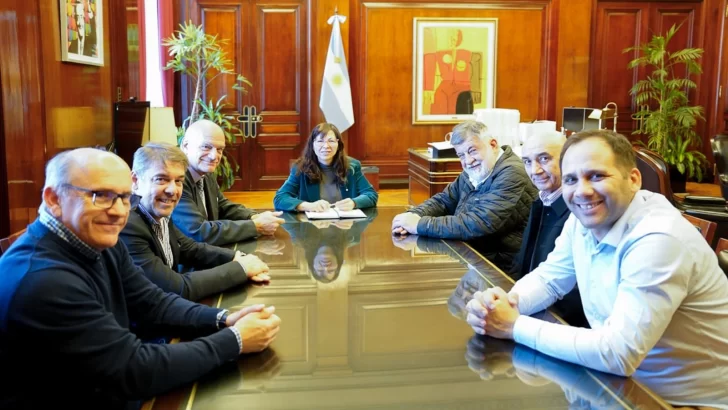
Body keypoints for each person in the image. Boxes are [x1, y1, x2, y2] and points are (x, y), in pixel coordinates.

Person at [0, 148, 282, 410]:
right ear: (53, 199)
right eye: (101, 196)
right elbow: (131, 370)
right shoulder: (42, 280)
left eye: (124, 197)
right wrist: (235, 340)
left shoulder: (97, 239)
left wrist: (224, 318)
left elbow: (153, 302)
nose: (118, 211)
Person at [465, 130, 728, 409]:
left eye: (597, 176)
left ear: (633, 179)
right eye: (571, 179)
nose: (582, 191)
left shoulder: (659, 238)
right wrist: (504, 304)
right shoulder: (582, 219)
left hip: (684, 402)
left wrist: (513, 325)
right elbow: (549, 279)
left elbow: (618, 354)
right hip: (616, 386)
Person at [120, 143, 271, 302]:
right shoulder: (128, 225)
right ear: (135, 181)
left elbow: (189, 248)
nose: (172, 190)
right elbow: (177, 288)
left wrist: (237, 257)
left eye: (178, 181)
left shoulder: (157, 211)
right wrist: (241, 269)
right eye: (161, 179)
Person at [392, 120, 537, 271]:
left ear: (493, 145)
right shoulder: (478, 169)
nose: (468, 161)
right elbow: (444, 201)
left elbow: (478, 223)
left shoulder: (512, 173)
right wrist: (413, 215)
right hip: (473, 257)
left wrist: (420, 225)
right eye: (461, 155)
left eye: (472, 151)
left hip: (501, 268)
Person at [511, 131, 587, 327]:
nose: (534, 170)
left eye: (544, 159)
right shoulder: (542, 200)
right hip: (532, 307)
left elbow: (570, 289)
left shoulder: (581, 210)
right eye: (527, 162)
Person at [172, 119, 285, 246]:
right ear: (185, 146)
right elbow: (199, 232)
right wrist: (255, 226)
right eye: (206, 147)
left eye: (219, 149)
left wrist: (253, 216)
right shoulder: (176, 181)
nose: (214, 156)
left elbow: (222, 206)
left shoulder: (205, 173)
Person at [273, 122, 378, 212]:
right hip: (312, 226)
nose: (326, 146)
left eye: (331, 141)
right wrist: (308, 206)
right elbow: (280, 198)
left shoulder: (352, 166)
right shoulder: (300, 168)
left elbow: (371, 194)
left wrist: (354, 203)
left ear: (338, 144)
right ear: (312, 144)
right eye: (320, 141)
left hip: (345, 225)